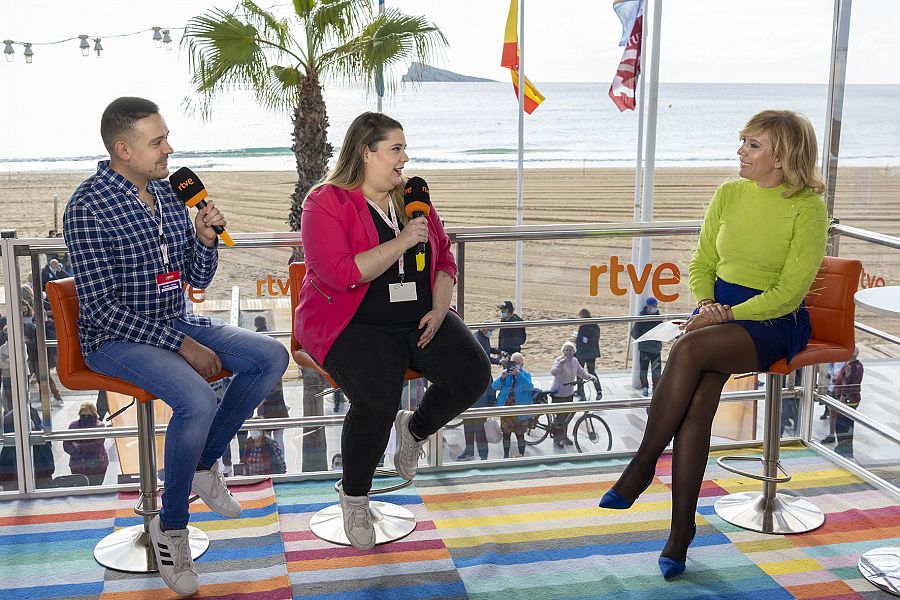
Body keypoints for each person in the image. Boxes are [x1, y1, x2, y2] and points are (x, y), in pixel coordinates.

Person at [63, 97, 289, 596]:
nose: (170, 148)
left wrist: (205, 239)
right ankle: (172, 526)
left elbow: (194, 278)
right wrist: (180, 343)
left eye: (166, 137)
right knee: (197, 398)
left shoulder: (167, 195)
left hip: (174, 319)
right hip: (115, 338)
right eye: (157, 141)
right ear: (123, 149)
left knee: (270, 356)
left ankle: (205, 464)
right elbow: (99, 312)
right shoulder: (88, 207)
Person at [598, 110, 829, 580]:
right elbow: (701, 260)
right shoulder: (728, 193)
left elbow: (790, 292)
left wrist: (726, 314)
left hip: (772, 320)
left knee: (686, 349)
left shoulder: (807, 208)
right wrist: (707, 302)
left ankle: (641, 468)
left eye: (753, 145)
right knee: (699, 401)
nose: (740, 151)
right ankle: (680, 532)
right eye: (742, 141)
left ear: (781, 157)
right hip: (717, 312)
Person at [293, 111, 491, 551]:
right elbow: (340, 274)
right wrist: (402, 241)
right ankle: (355, 495)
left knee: (473, 372)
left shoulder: (413, 197)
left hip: (418, 317)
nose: (405, 159)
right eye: (396, 149)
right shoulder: (324, 202)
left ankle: (414, 431)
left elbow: (444, 260)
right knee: (376, 398)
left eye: (405, 149)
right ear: (366, 151)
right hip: (351, 324)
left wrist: (441, 310)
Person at [458, 324, 500, 461]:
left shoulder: (479, 367)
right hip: (472, 403)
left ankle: (481, 455)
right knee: (471, 428)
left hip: (477, 403)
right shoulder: (478, 343)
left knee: (477, 428)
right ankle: (473, 452)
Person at [549, 341, 596, 448]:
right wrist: (560, 364)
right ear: (563, 351)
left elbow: (581, 372)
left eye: (570, 350)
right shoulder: (559, 360)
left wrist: (591, 377)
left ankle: (564, 436)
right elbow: (553, 372)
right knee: (560, 419)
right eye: (566, 350)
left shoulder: (574, 361)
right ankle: (557, 439)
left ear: (574, 352)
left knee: (567, 417)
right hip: (558, 393)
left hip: (569, 393)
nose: (568, 352)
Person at [492, 352, 533, 458]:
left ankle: (521, 455)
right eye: (513, 363)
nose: (515, 365)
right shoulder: (506, 374)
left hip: (520, 409)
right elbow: (494, 386)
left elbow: (529, 387)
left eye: (518, 363)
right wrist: (502, 378)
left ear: (522, 364)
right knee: (506, 434)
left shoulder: (526, 375)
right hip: (507, 409)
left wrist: (518, 374)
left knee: (520, 435)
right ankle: (506, 455)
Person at [823, 348, 863, 446]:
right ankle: (845, 446)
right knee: (848, 424)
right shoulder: (858, 365)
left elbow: (846, 387)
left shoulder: (849, 366)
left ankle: (843, 448)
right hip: (852, 399)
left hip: (846, 401)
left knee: (842, 426)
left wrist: (840, 402)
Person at [63, 402, 109, 486]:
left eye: (89, 415)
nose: (86, 418)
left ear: (94, 415)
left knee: (95, 488)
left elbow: (97, 446)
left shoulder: (99, 426)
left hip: (97, 466)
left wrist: (78, 446)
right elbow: (67, 445)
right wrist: (79, 452)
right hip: (78, 466)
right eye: (83, 415)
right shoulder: (73, 426)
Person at [631, 297, 663, 397]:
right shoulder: (641, 317)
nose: (655, 308)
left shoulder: (658, 317)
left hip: (656, 349)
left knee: (657, 370)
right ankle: (645, 387)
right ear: (648, 306)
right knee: (643, 369)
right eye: (653, 306)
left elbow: (662, 331)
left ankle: (656, 389)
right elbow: (634, 333)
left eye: (656, 306)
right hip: (644, 349)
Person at [574, 308, 602, 400]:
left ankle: (580, 390)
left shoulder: (583, 326)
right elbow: (595, 339)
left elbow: (579, 341)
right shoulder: (595, 325)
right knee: (592, 371)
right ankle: (598, 390)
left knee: (579, 373)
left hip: (582, 353)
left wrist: (577, 338)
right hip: (592, 353)